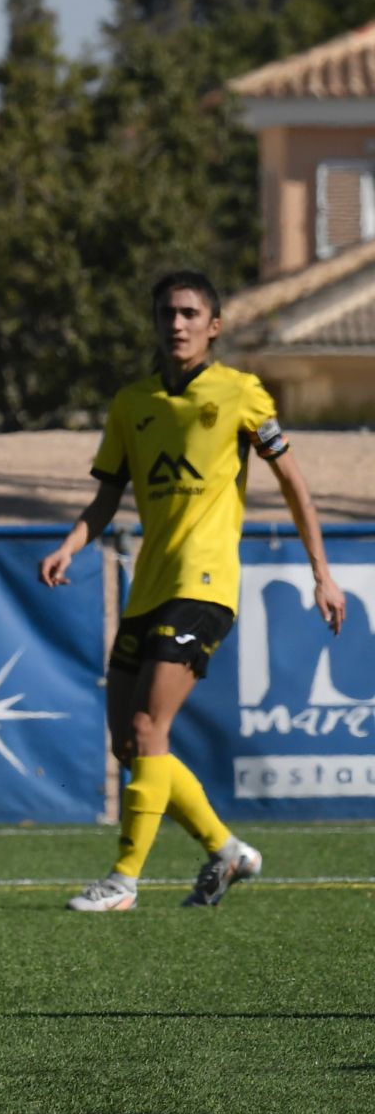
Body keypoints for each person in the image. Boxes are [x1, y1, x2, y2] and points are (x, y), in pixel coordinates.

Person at [40, 270, 345, 913]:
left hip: (205, 585)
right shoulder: (132, 403)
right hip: (148, 586)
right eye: (166, 314)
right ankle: (225, 848)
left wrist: (322, 570)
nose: (176, 324)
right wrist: (71, 544)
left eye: (188, 313)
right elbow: (106, 496)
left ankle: (123, 880)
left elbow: (292, 481)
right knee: (131, 743)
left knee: (152, 725)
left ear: (214, 326)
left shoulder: (241, 394)